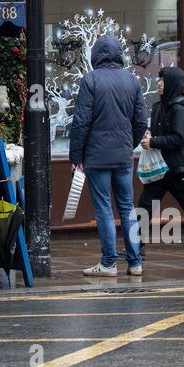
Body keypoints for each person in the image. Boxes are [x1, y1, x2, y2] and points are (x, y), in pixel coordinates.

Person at [68, 36, 146, 278]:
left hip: (96, 155)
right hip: (123, 155)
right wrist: (128, 144)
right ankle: (135, 263)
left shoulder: (90, 80)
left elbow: (81, 122)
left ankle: (109, 262)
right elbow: (141, 121)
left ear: (96, 56)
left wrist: (76, 154)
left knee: (103, 208)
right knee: (127, 207)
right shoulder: (132, 81)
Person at [139, 66, 184, 221]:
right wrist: (150, 137)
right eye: (159, 79)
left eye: (163, 80)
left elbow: (179, 138)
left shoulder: (180, 110)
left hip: (176, 168)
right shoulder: (159, 107)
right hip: (160, 168)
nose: (159, 83)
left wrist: (153, 142)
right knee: (145, 205)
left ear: (173, 84)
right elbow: (160, 134)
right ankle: (135, 245)